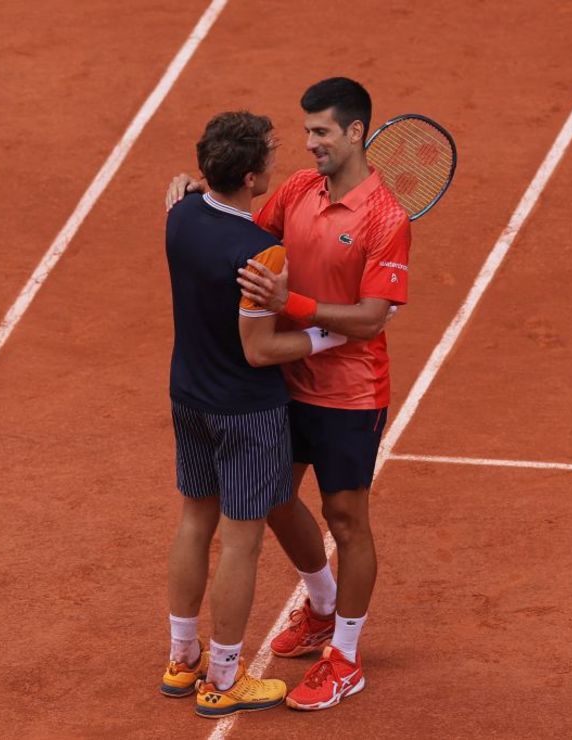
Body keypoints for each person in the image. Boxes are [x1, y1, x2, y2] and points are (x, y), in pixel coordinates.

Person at [166, 77, 410, 711]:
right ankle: (324, 605)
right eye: (305, 134)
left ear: (356, 133)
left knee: (347, 520)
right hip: (279, 382)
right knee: (273, 499)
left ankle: (347, 656)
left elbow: (372, 316)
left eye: (321, 132)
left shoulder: (386, 218)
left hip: (350, 391)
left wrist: (293, 305)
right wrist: (204, 192)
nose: (308, 146)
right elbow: (243, 233)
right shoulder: (299, 190)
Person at [161, 110, 347, 719]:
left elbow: (181, 189)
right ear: (248, 176)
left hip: (188, 396)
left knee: (195, 522)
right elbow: (260, 348)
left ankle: (180, 658)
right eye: (268, 154)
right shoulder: (259, 253)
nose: (278, 159)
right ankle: (223, 678)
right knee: (240, 543)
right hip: (245, 411)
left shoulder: (181, 213)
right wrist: (326, 336)